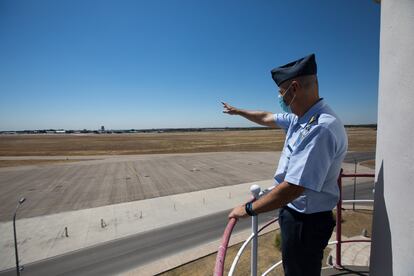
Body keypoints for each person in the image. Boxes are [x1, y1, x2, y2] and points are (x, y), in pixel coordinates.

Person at [222, 53, 348, 276]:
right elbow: (266, 117)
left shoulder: (320, 128)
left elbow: (294, 187)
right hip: (298, 216)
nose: (280, 98)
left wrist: (248, 209)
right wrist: (238, 111)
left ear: (295, 88)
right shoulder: (301, 118)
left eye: (281, 93)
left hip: (305, 223)